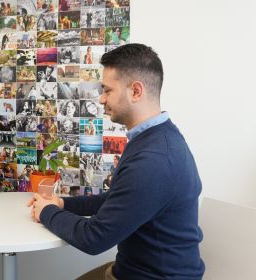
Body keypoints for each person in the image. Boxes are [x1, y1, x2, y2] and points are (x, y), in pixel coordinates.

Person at [27, 44, 205, 280]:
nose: (101, 99)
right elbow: (117, 199)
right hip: (134, 269)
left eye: (107, 90)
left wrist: (47, 211)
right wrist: (63, 204)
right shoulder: (155, 138)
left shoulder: (154, 159)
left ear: (136, 92)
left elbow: (94, 238)